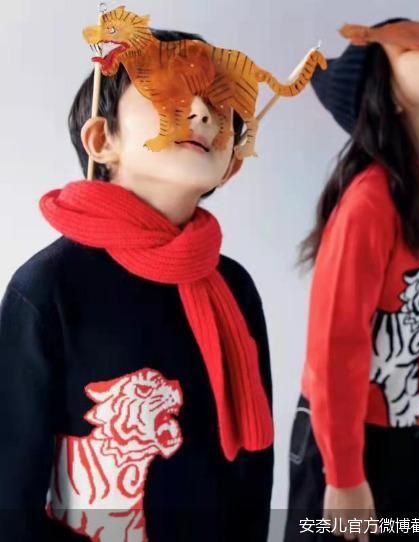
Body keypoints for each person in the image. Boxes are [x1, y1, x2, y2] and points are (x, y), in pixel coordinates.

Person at [0, 28, 274, 542]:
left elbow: (253, 477)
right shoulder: (48, 287)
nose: (202, 112)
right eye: (169, 91)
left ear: (232, 163)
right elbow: (11, 498)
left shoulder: (233, 287)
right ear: (102, 141)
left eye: (220, 101)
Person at [284, 18, 419, 542]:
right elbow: (335, 346)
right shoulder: (372, 203)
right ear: (390, 95)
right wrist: (344, 476)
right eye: (411, 46)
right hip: (349, 439)